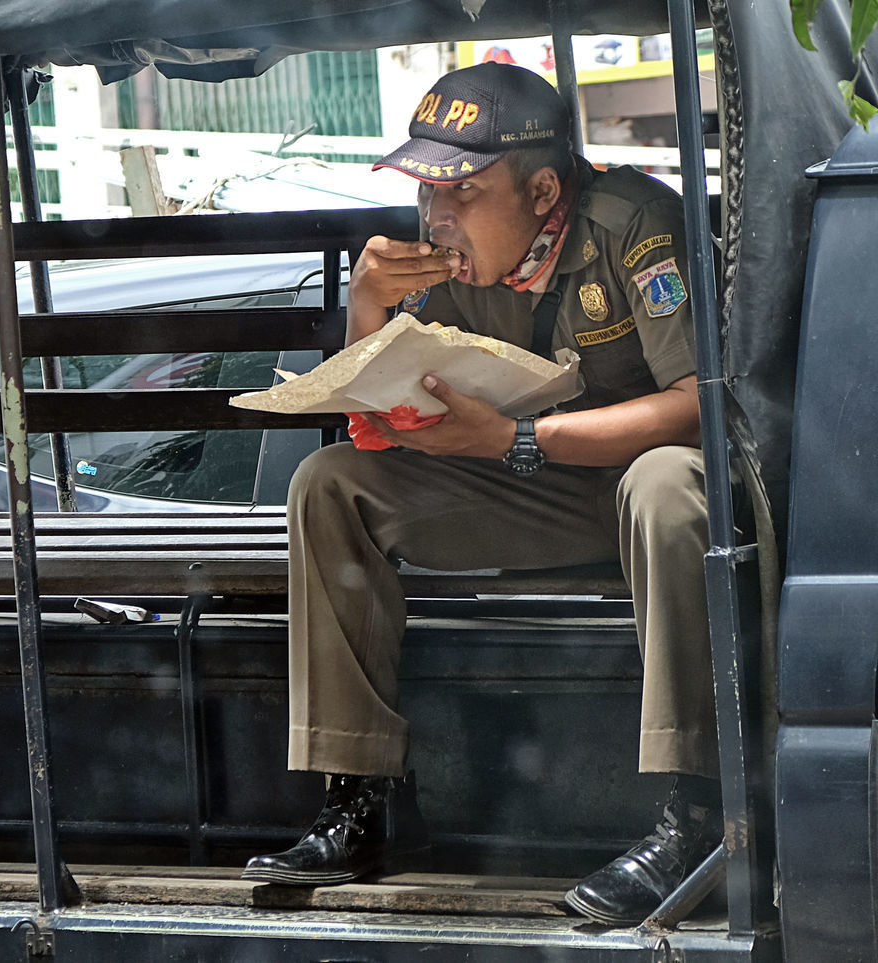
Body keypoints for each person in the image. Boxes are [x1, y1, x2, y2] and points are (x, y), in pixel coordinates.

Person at [241, 62, 722, 927]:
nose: (436, 217)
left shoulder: (637, 226)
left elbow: (700, 403)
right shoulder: (433, 265)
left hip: (648, 494)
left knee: (663, 485)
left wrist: (516, 439)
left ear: (543, 189)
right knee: (331, 484)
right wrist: (364, 314)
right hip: (538, 493)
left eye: (462, 190)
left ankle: (694, 815)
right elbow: (381, 430)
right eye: (428, 191)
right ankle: (365, 800)